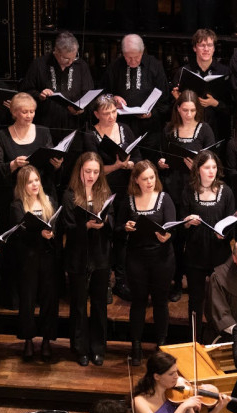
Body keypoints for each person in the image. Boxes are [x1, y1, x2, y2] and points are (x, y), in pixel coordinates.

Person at [116, 161, 176, 366]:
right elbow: (117, 228)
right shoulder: (129, 201)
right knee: (138, 302)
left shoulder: (164, 198)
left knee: (160, 302)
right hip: (136, 259)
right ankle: (136, 346)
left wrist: (167, 236)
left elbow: (172, 227)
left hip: (162, 258)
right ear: (136, 180)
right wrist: (125, 227)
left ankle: (161, 345)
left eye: (152, 177)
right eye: (145, 179)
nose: (150, 182)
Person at [158, 89, 215, 303]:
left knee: (195, 234)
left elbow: (212, 161)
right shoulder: (169, 129)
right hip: (173, 186)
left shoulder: (204, 129)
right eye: (185, 110)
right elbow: (162, 155)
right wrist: (161, 163)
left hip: (196, 189)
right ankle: (176, 281)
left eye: (192, 110)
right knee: (176, 237)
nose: (189, 114)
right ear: (178, 109)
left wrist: (197, 168)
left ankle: (199, 280)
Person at [82, 94, 140, 301]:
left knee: (122, 235)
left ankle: (121, 281)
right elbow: (92, 168)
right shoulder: (90, 135)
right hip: (102, 190)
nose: (111, 117)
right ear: (96, 114)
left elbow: (138, 156)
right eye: (106, 113)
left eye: (114, 112)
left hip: (125, 189)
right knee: (104, 235)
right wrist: (116, 166)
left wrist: (130, 164)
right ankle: (103, 282)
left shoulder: (125, 129)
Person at [61, 153, 114, 367]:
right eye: (87, 171)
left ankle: (98, 348)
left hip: (100, 254)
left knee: (100, 304)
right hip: (78, 255)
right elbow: (67, 226)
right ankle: (80, 348)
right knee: (79, 305)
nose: (91, 176)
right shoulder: (70, 195)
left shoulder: (105, 192)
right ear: (79, 171)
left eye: (95, 172)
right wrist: (86, 226)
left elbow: (113, 223)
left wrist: (106, 221)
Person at [181, 150, 236, 334]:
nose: (211, 171)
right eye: (207, 167)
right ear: (198, 169)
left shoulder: (226, 191)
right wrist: (187, 222)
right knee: (195, 299)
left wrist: (225, 233)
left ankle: (218, 337)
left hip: (219, 253)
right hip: (195, 253)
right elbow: (181, 223)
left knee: (220, 300)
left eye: (214, 167)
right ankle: (194, 338)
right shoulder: (189, 190)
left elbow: (232, 222)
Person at [10, 166, 60, 362]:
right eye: (30, 182)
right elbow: (18, 233)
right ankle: (28, 340)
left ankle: (47, 340)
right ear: (23, 185)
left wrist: (51, 233)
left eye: (36, 180)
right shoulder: (17, 205)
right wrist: (38, 233)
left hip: (48, 257)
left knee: (49, 300)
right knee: (28, 300)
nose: (34, 184)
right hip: (28, 258)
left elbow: (56, 225)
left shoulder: (49, 201)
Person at [0, 92, 62, 228]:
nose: (29, 115)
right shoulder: (2, 136)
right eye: (25, 112)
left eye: (32, 111)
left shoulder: (43, 132)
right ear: (14, 112)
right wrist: (13, 164)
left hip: (42, 192)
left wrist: (57, 165)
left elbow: (50, 162)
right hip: (15, 196)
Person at [21, 31, 94, 145]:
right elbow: (25, 93)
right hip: (45, 128)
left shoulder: (81, 66)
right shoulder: (39, 65)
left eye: (74, 58)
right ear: (56, 51)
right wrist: (39, 95)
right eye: (66, 58)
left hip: (74, 128)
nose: (71, 62)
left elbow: (89, 93)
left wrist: (82, 109)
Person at [100, 34, 170, 151]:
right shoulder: (115, 66)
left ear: (142, 52)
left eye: (136, 57)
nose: (132, 61)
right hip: (122, 126)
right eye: (128, 57)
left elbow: (164, 99)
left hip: (150, 128)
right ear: (123, 54)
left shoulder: (154, 65)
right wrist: (113, 98)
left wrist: (152, 113)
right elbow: (102, 94)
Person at [171, 29, 232, 142]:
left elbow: (232, 106)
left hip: (217, 127)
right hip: (190, 130)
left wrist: (215, 103)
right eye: (202, 45)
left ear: (214, 48)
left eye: (209, 45)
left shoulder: (224, 71)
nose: (206, 49)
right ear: (195, 48)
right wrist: (178, 99)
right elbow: (172, 107)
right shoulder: (183, 71)